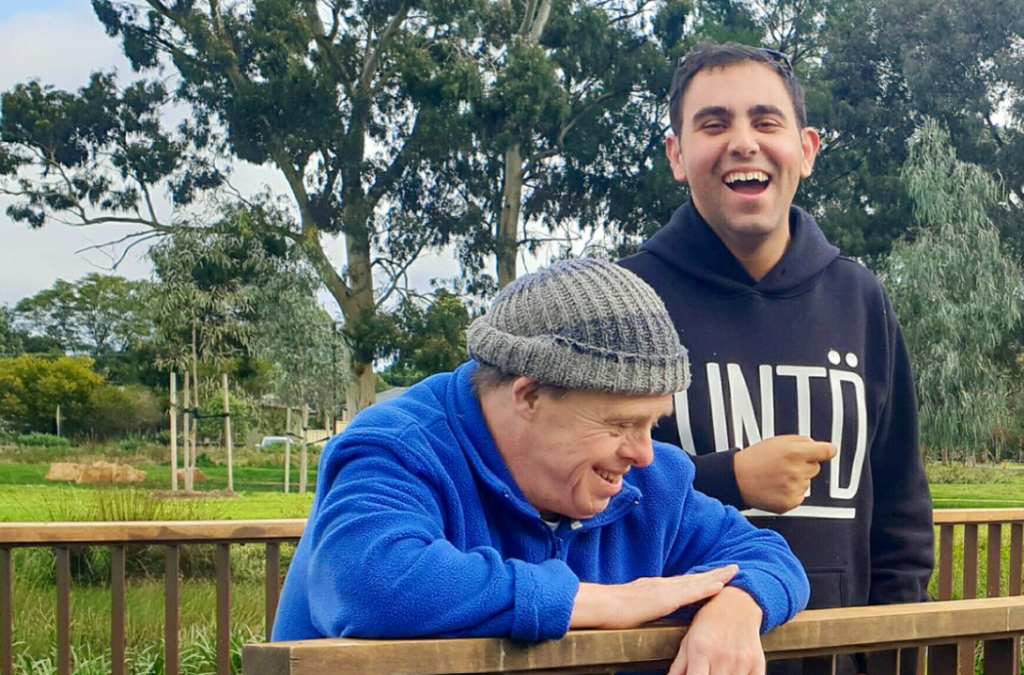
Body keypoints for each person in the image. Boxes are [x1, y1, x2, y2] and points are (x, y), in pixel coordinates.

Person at [273, 258, 809, 675]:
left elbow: (767, 556)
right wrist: (595, 602)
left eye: (652, 424)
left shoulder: (652, 481)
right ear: (528, 395)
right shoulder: (395, 447)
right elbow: (372, 583)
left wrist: (739, 605)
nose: (644, 453)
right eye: (620, 424)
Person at [619, 43, 934, 673]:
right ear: (677, 155)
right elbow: (572, 501)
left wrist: (888, 654)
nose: (742, 142)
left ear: (807, 149)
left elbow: (901, 513)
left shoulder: (860, 297)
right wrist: (726, 478)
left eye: (766, 122)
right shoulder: (624, 304)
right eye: (713, 124)